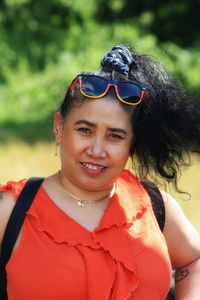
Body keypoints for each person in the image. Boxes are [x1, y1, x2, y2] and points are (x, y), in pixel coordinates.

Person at [0, 44, 200, 300]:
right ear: (59, 128)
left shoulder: (154, 206)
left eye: (115, 136)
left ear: (132, 144)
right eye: (85, 130)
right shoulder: (11, 211)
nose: (97, 150)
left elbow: (194, 259)